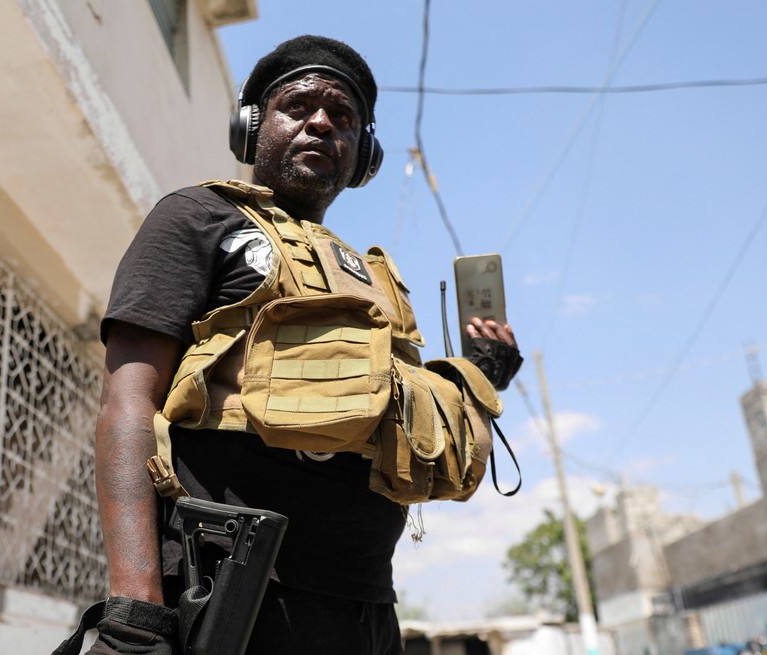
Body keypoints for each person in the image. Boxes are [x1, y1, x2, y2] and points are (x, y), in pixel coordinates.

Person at [88, 35, 521, 655]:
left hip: (367, 606)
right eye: (298, 106)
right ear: (252, 127)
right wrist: (135, 610)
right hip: (235, 592)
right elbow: (128, 403)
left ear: (363, 153)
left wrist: (480, 374)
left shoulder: (372, 280)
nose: (321, 122)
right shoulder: (200, 216)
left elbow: (398, 422)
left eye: (343, 117)